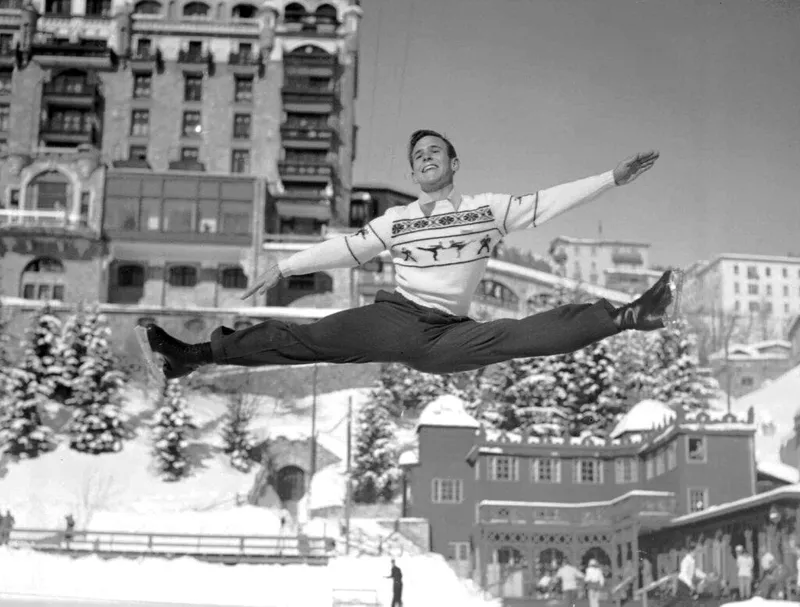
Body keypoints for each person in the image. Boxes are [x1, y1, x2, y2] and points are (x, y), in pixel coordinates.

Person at [136, 130, 671, 381]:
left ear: (454, 163)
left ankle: (628, 316)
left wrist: (611, 179)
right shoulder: (398, 220)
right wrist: (286, 265)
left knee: (517, 336)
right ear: (414, 174)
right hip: (397, 318)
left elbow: (548, 202)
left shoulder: (489, 209)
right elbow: (347, 249)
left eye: (434, 151)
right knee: (303, 337)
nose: (424, 159)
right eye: (417, 157)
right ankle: (193, 358)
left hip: (447, 336)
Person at [664, 542, 705, 607]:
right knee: (688, 603)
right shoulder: (686, 560)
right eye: (697, 551)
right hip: (683, 583)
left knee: (677, 599)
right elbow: (683, 574)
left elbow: (695, 571)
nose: (698, 552)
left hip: (684, 583)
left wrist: (705, 576)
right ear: (693, 550)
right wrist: (690, 584)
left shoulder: (692, 560)